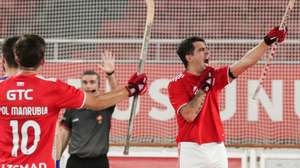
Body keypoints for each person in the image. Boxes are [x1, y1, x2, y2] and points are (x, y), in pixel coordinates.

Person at [0, 34, 147, 168]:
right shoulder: (53, 87)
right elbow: (97, 102)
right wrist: (130, 89)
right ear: (43, 60)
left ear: (16, 58)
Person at [168, 27, 287, 168]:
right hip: (192, 147)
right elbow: (189, 115)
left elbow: (245, 62)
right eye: (201, 50)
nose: (207, 52)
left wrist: (266, 42)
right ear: (189, 57)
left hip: (217, 146)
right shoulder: (177, 83)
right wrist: (203, 89)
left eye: (206, 48)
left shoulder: (213, 75)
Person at [56, 51, 120, 168]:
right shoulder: (72, 107)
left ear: (98, 85)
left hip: (99, 162)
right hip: (75, 162)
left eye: (92, 82)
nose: (88, 85)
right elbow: (64, 135)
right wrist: (56, 160)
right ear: (81, 84)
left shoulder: (105, 103)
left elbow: (116, 94)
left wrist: (110, 74)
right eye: (85, 82)